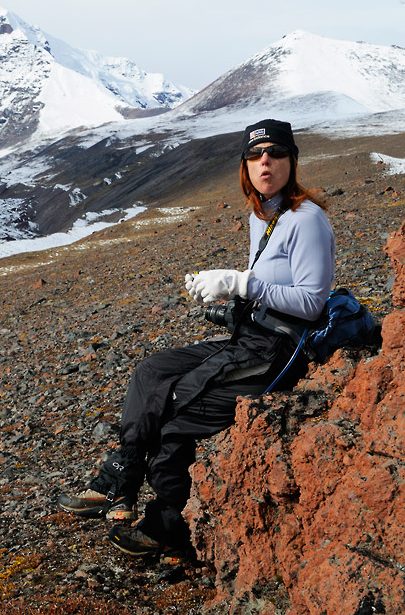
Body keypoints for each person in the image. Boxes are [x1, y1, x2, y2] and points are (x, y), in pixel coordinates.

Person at [57, 119, 335, 564]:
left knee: (174, 410)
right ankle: (124, 477)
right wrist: (228, 293)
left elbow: (310, 301)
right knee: (151, 371)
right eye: (256, 154)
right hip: (249, 337)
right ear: (245, 166)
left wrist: (242, 284)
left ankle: (170, 525)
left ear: (292, 161)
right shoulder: (263, 215)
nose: (266, 161)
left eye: (277, 153)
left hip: (278, 352)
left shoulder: (307, 220)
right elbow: (264, 285)